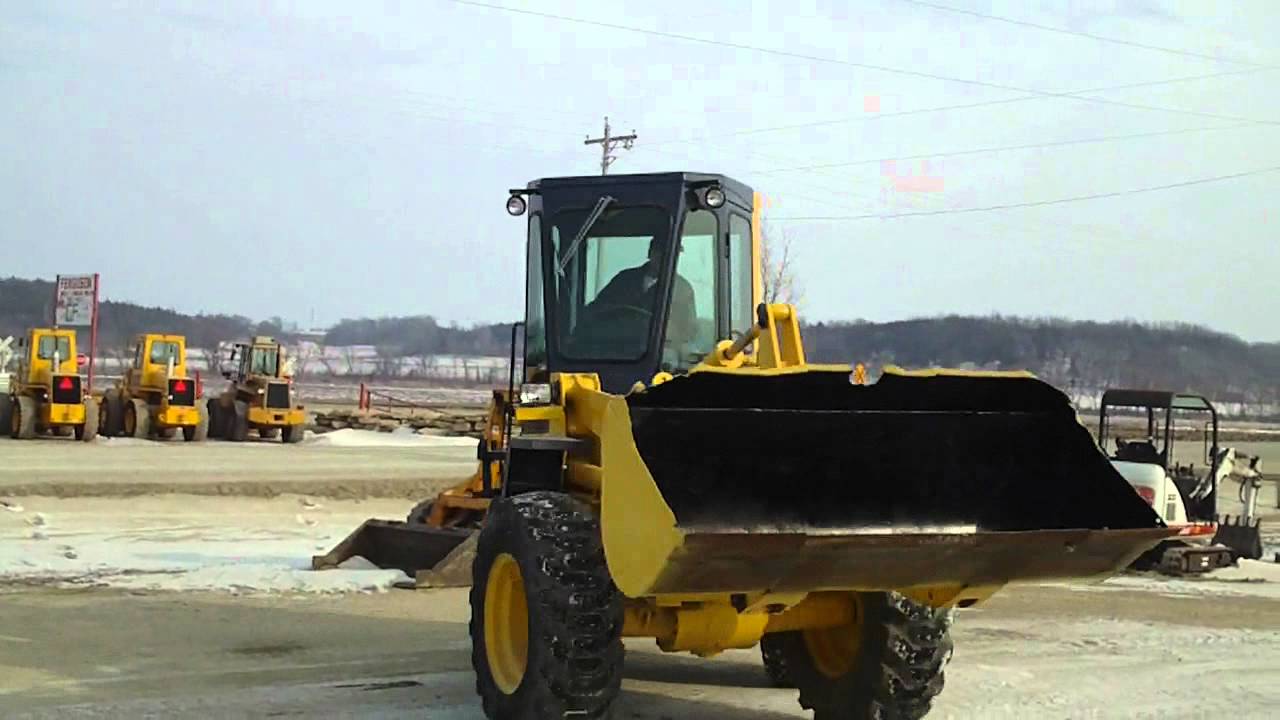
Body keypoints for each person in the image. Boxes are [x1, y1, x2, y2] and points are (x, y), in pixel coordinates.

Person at [589, 237, 697, 348]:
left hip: (661, 354)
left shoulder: (682, 290)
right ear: (651, 254)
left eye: (673, 255)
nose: (667, 259)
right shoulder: (623, 280)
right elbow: (597, 309)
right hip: (617, 350)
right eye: (661, 253)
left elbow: (688, 331)